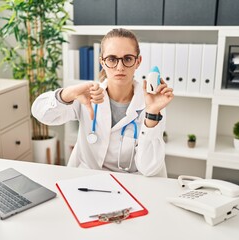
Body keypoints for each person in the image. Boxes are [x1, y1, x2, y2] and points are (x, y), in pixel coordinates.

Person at [31, 28, 174, 177]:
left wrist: (151, 114)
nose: (120, 67)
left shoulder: (152, 104)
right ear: (102, 62)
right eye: (112, 59)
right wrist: (68, 94)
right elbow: (40, 113)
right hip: (88, 179)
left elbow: (149, 168)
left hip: (131, 182)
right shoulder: (87, 95)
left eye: (128, 59)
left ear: (138, 62)